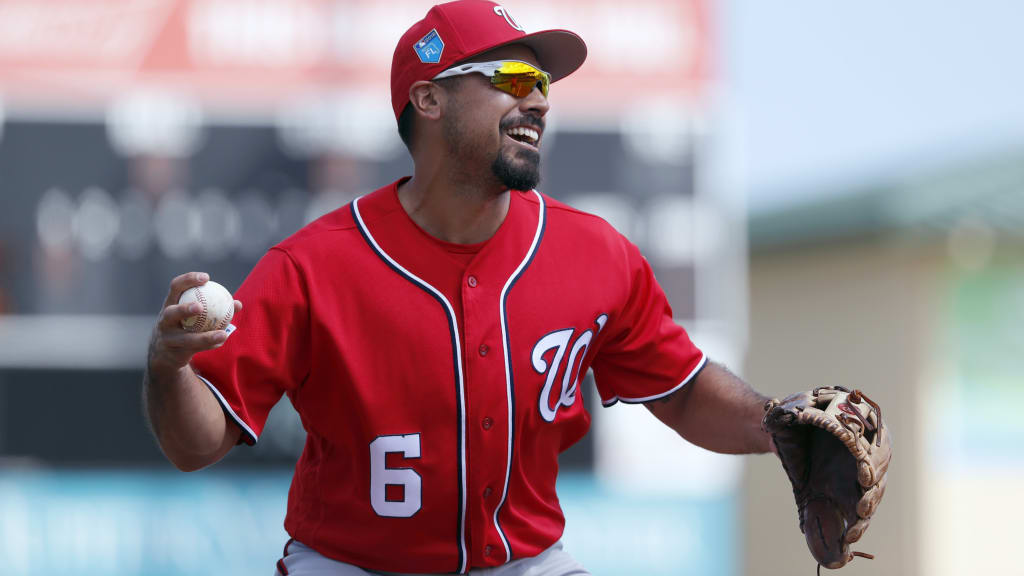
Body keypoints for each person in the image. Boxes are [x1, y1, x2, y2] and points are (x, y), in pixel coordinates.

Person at [143, 2, 773, 574]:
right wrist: (168, 367)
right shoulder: (311, 266)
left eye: (543, 84)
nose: (540, 102)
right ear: (429, 98)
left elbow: (684, 392)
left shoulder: (597, 254)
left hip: (528, 562)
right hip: (352, 565)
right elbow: (195, 445)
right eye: (514, 79)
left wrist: (777, 425)